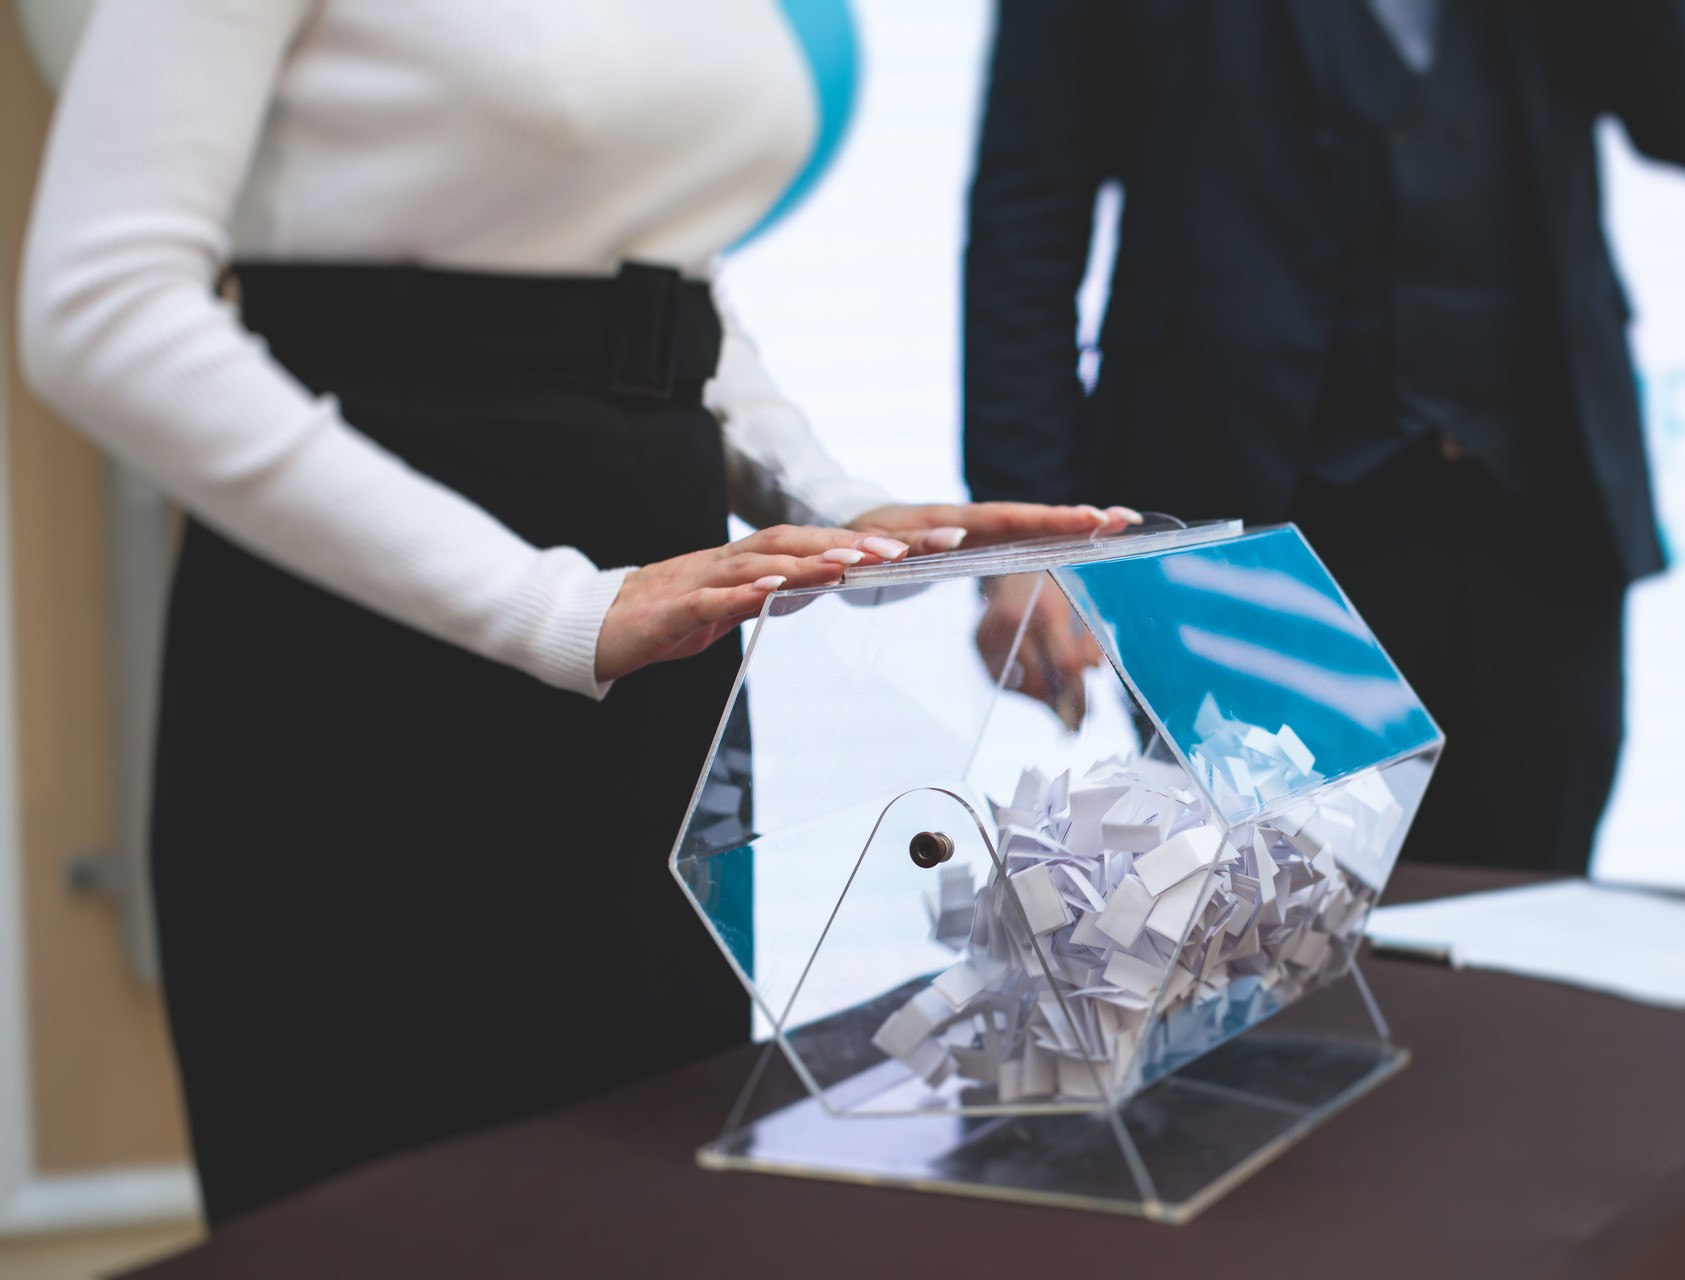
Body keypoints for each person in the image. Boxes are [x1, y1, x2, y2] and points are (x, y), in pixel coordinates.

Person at [17, 0, 1133, 1224]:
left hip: (655, 660)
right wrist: (552, 604)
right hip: (374, 661)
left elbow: (663, 289)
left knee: (643, 1190)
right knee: (386, 1211)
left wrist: (845, 506)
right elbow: (100, 304)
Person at [963, 0, 1685, 874]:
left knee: (1527, 943)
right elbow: (1027, 212)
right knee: (1261, 942)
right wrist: (1030, 535)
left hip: (1540, 526)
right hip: (1241, 530)